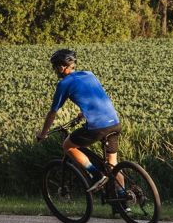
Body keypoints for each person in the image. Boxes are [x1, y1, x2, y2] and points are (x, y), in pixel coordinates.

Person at [35, 48, 123, 196]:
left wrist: (43, 134)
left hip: (97, 126)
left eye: (55, 66)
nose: (55, 70)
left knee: (68, 146)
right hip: (115, 122)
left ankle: (96, 175)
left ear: (62, 67)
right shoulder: (89, 74)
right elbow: (95, 96)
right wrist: (84, 113)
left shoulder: (64, 84)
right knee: (112, 165)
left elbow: (52, 113)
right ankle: (123, 200)